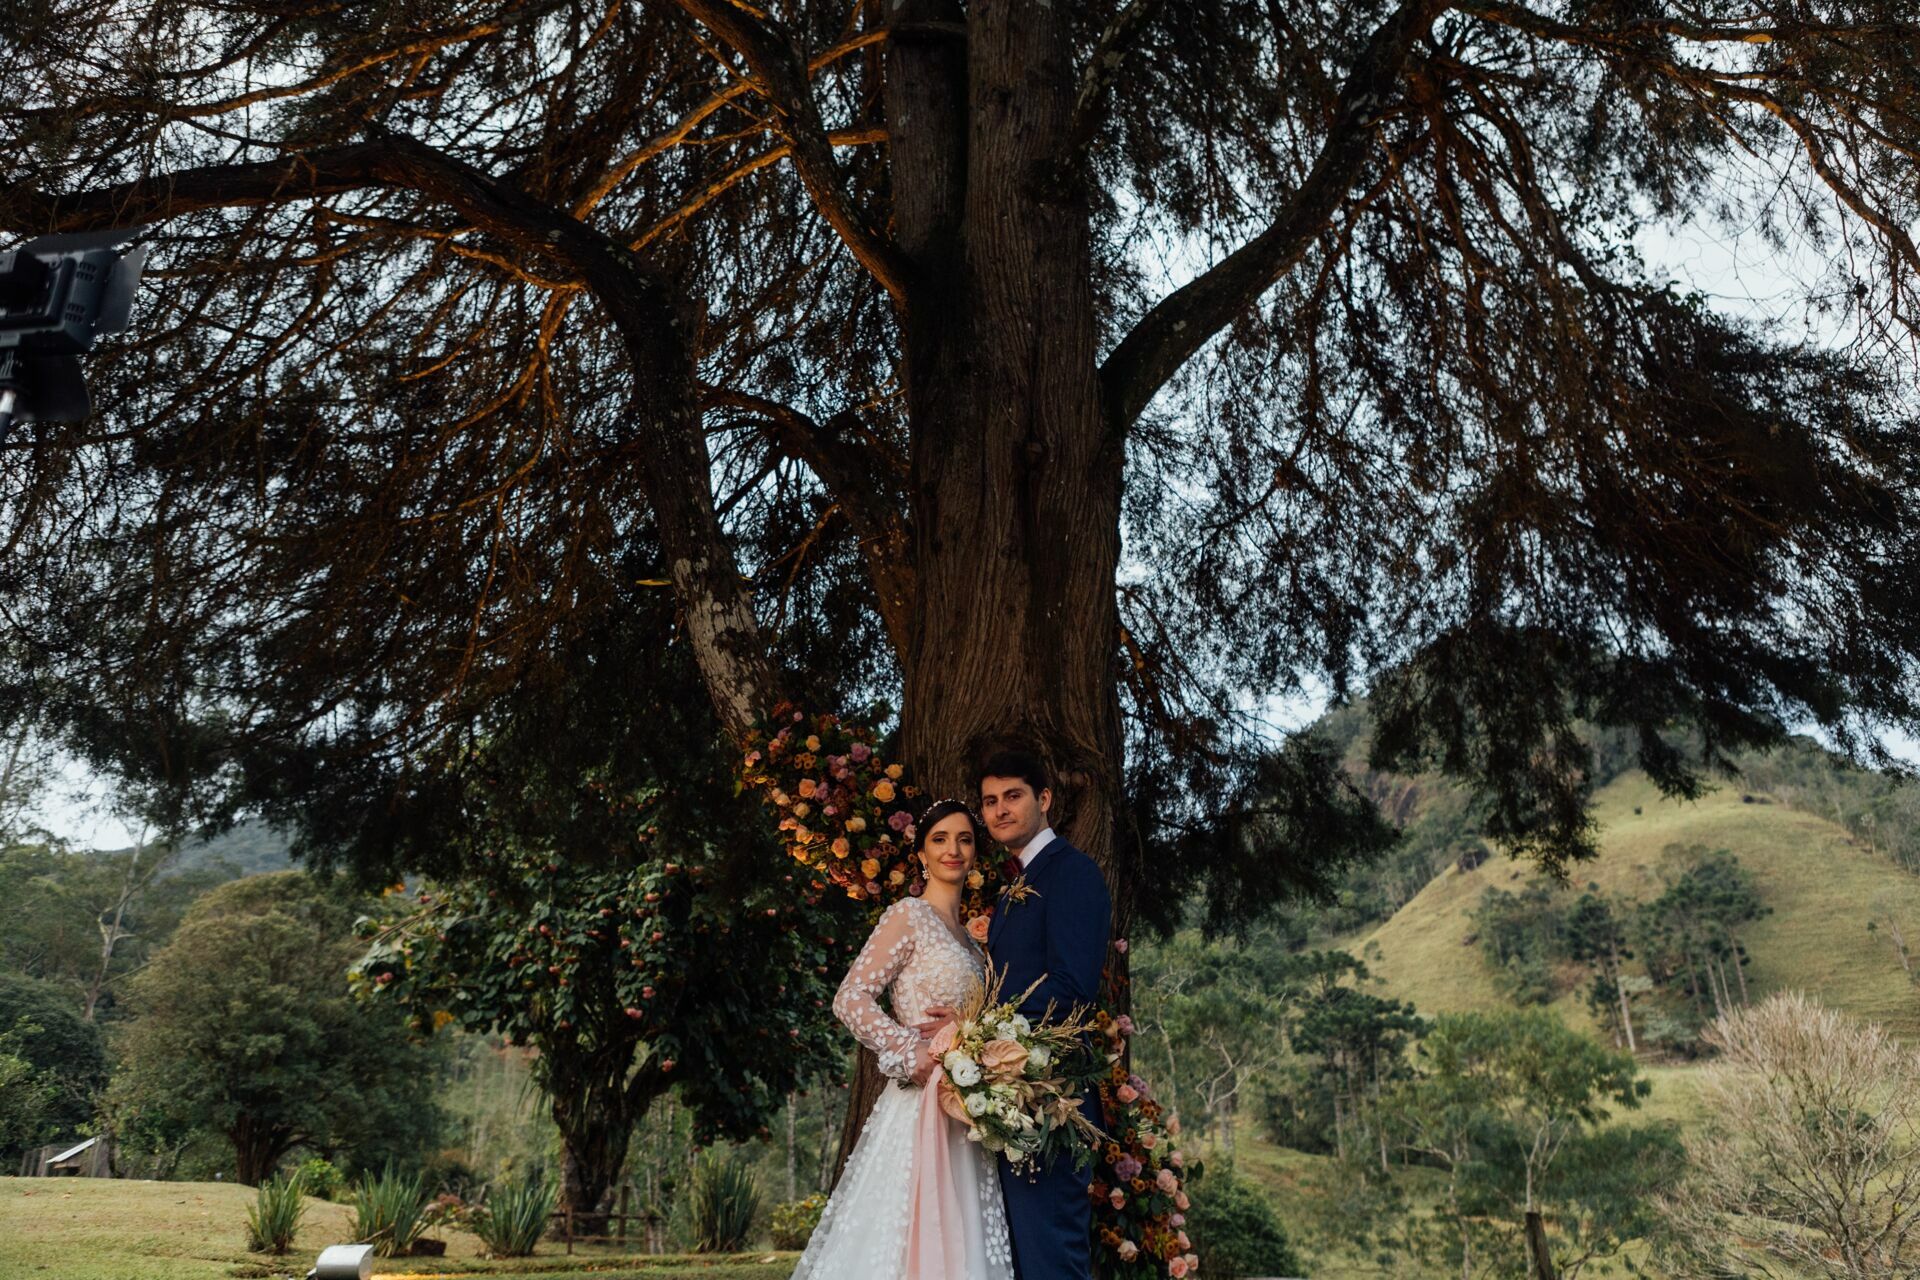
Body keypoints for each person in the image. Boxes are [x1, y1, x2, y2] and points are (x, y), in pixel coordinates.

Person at [790, 799, 1016, 1280]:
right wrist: (906, 1050)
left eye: (964, 839)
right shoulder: (908, 915)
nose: (952, 849)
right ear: (921, 854)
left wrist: (968, 1034)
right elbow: (851, 998)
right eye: (940, 839)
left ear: (975, 853)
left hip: (966, 1107)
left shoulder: (976, 942)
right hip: (918, 1104)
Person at [970, 750, 1111, 1280]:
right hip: (1016, 1099)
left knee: (1051, 1259)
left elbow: (1073, 987)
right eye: (990, 801)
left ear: (1044, 799)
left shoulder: (1072, 873)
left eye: (1013, 796)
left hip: (1053, 1102)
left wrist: (981, 1025)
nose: (1000, 810)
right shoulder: (1012, 888)